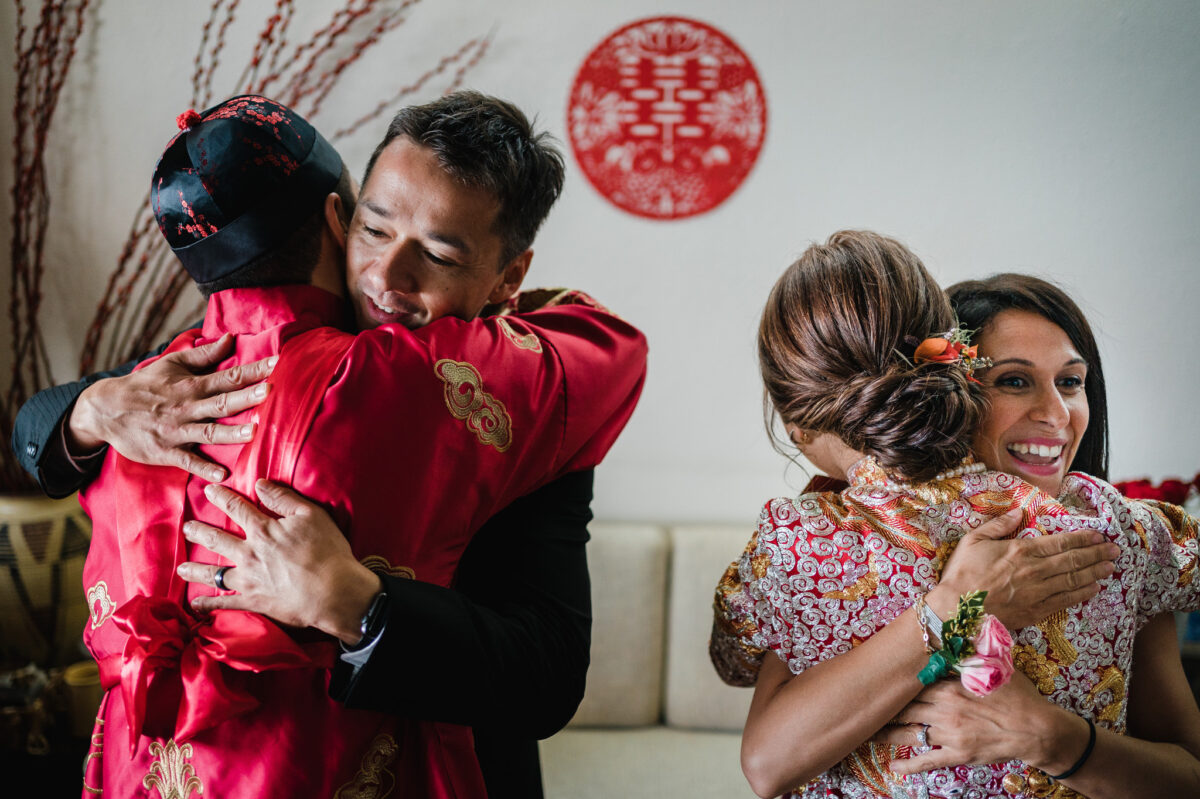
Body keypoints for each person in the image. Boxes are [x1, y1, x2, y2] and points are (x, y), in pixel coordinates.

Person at [14, 92, 625, 798]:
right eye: (375, 229)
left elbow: (547, 681)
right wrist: (92, 409)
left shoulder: (515, 411)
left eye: (438, 255)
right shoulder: (222, 363)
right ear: (340, 218)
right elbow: (37, 427)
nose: (387, 278)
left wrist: (359, 604)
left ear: (508, 276)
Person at [709, 231, 1199, 798]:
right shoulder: (826, 542)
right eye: (1013, 380)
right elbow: (767, 762)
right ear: (946, 395)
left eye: (1071, 381)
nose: (1057, 413)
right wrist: (959, 609)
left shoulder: (1115, 540)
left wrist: (1052, 737)